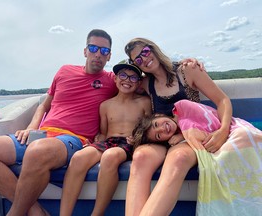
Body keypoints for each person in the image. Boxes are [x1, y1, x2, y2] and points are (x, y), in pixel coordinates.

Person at [0, 29, 118, 216]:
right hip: (41, 134)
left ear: (109, 57)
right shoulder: (64, 71)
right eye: (93, 48)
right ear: (85, 51)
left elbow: (138, 82)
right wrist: (31, 127)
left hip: (73, 140)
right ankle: (35, 211)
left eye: (104, 51)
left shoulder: (112, 81)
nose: (98, 54)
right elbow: (43, 106)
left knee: (37, 151)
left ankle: (16, 213)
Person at [124, 38, 233, 215]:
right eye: (137, 60)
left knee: (178, 159)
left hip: (188, 136)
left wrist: (223, 131)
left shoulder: (186, 71)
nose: (144, 59)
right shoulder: (145, 83)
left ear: (152, 48)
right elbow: (122, 81)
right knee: (141, 156)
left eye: (145, 52)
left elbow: (222, 100)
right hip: (161, 136)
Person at [131, 99, 262, 215]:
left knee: (243, 136)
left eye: (156, 124)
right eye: (158, 136)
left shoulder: (182, 107)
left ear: (158, 116)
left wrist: (183, 134)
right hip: (192, 142)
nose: (162, 129)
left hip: (228, 129)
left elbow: (210, 122)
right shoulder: (176, 139)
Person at [60, 62, 151, 216]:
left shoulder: (144, 102)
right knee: (78, 158)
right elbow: (104, 133)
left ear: (139, 82)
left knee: (110, 157)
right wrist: (95, 142)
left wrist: (138, 139)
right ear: (115, 79)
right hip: (109, 141)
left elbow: (148, 127)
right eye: (123, 75)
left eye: (133, 77)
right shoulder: (105, 105)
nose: (127, 80)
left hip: (130, 143)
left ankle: (97, 213)